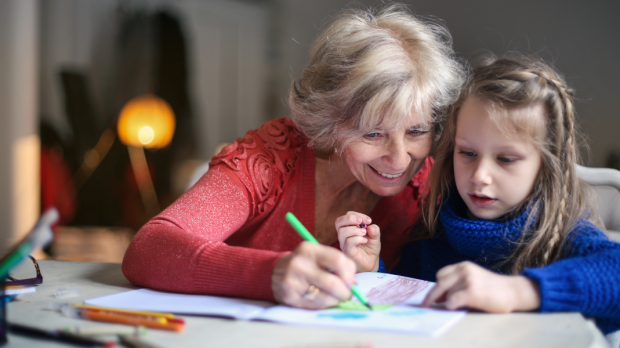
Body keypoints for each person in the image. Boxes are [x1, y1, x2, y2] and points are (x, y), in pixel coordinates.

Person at [121, 4, 465, 309]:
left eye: (417, 132)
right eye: (373, 133)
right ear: (330, 121)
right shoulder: (272, 157)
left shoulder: (426, 185)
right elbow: (149, 250)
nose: (400, 160)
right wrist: (269, 274)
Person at [336, 55, 620, 333]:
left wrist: (517, 291)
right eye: (468, 153)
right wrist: (372, 272)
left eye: (506, 159)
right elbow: (405, 319)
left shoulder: (562, 238)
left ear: (546, 165)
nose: (480, 176)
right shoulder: (430, 233)